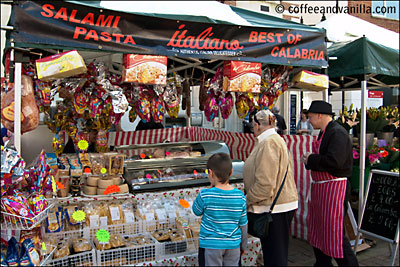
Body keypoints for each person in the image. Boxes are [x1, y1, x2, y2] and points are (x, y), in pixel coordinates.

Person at [301, 100, 359, 267]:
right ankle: (322, 263)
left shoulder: (337, 133)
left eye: (310, 117)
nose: (309, 120)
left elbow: (335, 161)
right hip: (322, 189)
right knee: (319, 230)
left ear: (320, 115)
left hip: (335, 190)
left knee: (335, 233)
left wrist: (310, 159)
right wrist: (310, 160)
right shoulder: (323, 132)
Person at [243, 109, 298, 266]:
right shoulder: (270, 140)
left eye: (253, 125)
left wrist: (246, 200)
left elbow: (265, 185)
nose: (252, 129)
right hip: (277, 207)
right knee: (274, 254)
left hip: (276, 208)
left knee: (275, 256)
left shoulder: (269, 143)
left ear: (259, 125)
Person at [193, 153, 248, 267]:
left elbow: (196, 211)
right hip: (233, 245)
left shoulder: (205, 195)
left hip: (211, 245)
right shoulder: (240, 196)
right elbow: (243, 224)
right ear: (231, 172)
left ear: (211, 173)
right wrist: (243, 245)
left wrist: (209, 189)